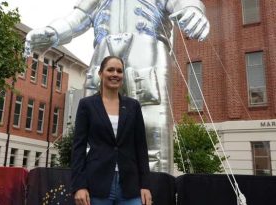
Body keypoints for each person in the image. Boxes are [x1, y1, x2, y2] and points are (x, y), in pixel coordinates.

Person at [25, 0, 210, 172]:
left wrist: (193, 8)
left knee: (152, 130)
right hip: (104, 52)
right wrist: (53, 31)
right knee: (93, 127)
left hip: (146, 50)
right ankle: (93, 188)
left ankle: (155, 190)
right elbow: (79, 17)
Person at [71, 56, 152, 205]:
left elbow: (141, 147)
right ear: (100, 74)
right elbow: (78, 148)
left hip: (130, 186)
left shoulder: (133, 106)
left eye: (119, 71)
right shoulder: (87, 105)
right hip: (96, 184)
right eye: (110, 70)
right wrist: (79, 186)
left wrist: (145, 185)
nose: (115, 74)